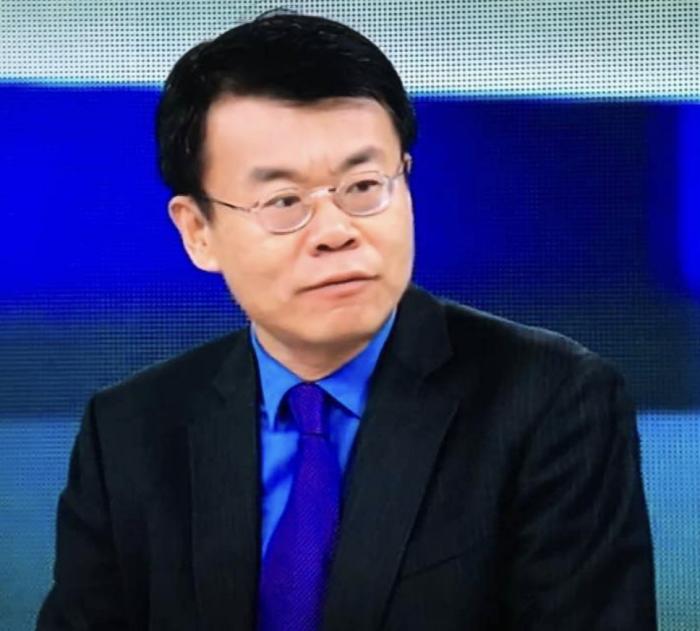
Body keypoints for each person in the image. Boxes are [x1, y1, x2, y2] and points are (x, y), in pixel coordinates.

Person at [37, 11, 657, 631]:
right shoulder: (130, 432)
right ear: (198, 231)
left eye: (363, 186)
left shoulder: (550, 402)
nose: (336, 232)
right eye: (284, 201)